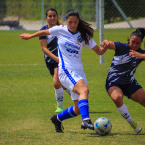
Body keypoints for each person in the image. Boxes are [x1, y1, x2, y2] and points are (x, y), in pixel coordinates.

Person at [19, 9, 109, 133]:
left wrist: (106, 47)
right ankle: (86, 120)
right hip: (65, 70)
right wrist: (30, 36)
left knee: (78, 109)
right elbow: (44, 31)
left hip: (79, 71)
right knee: (84, 90)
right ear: (65, 21)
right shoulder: (60, 29)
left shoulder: (83, 35)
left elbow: (99, 51)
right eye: (70, 22)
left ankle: (57, 119)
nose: (73, 25)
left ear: (78, 22)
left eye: (75, 22)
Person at [101, 28, 145, 133]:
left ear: (141, 43)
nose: (134, 45)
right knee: (117, 98)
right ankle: (132, 123)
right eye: (133, 42)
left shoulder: (141, 53)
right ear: (129, 40)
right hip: (114, 81)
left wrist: (142, 55)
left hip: (130, 83)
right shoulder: (122, 47)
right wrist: (106, 43)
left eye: (137, 43)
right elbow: (110, 44)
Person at [39, 8, 70, 113]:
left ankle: (60, 107)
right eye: (50, 16)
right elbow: (44, 48)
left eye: (54, 16)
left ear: (57, 17)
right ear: (46, 18)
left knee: (56, 83)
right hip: (50, 60)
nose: (52, 18)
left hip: (61, 60)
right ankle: (80, 98)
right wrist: (55, 58)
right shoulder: (43, 30)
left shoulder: (63, 29)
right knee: (62, 84)